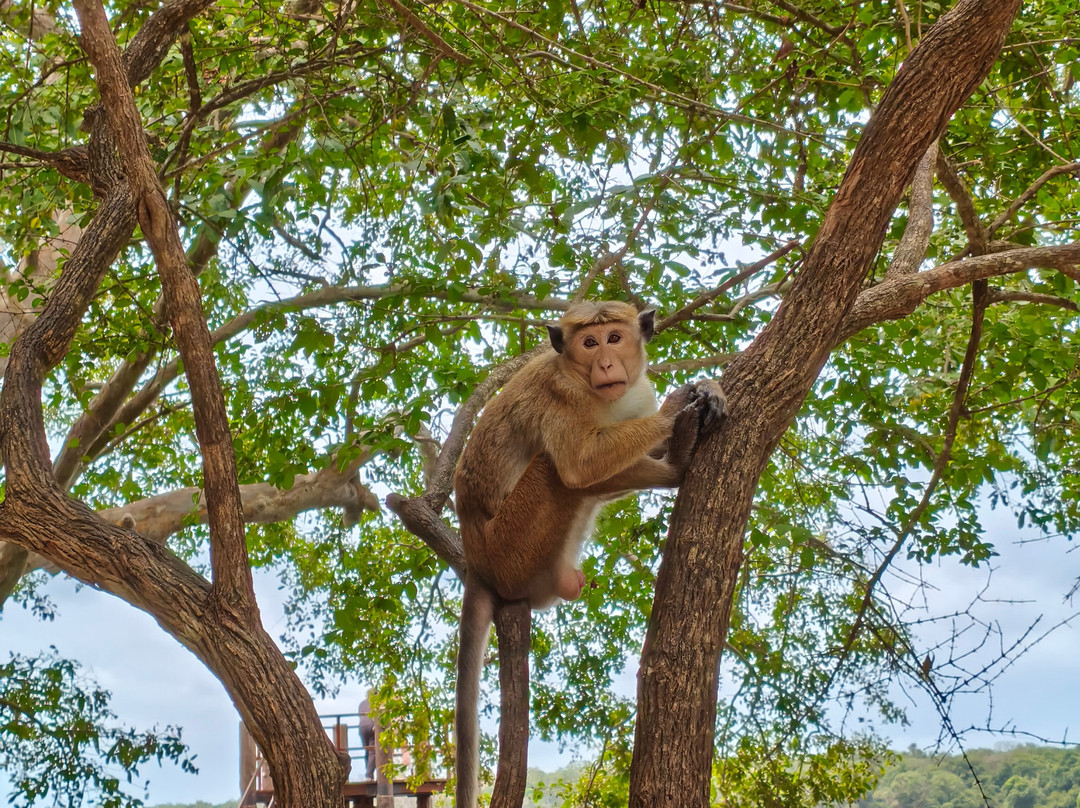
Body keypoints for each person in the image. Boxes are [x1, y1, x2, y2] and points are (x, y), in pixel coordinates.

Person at [359, 693, 376, 781]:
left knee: (367, 750)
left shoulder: (362, 703)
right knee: (372, 752)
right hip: (372, 727)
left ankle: (368, 774)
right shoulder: (375, 702)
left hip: (362, 728)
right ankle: (369, 775)